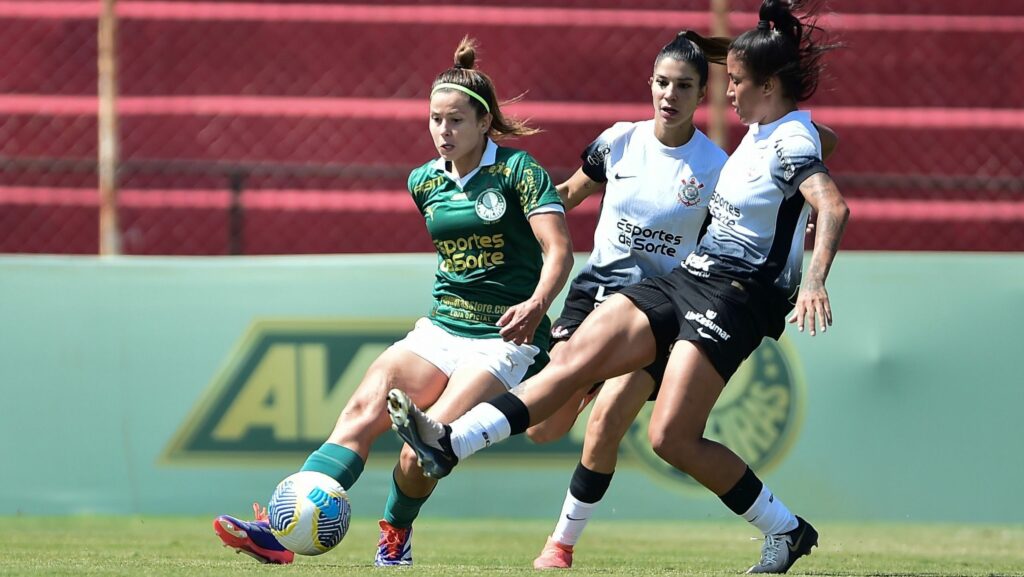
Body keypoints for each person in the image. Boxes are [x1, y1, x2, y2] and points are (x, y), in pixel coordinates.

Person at [387, 1, 848, 574]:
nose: (728, 94)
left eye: (735, 83)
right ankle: (448, 442)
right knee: (572, 360)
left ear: (769, 86)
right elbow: (818, 133)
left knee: (670, 439)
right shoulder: (758, 130)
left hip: (736, 297)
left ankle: (785, 531)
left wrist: (815, 281)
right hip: (686, 279)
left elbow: (831, 203)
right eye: (724, 81)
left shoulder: (781, 143)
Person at [212, 36, 574, 567]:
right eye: (435, 120)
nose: (443, 131)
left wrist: (540, 302)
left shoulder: (520, 171)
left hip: (504, 340)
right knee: (361, 411)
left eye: (455, 121)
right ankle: (281, 531)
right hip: (441, 329)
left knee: (422, 452)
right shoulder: (423, 181)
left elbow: (559, 250)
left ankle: (395, 535)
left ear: (483, 123)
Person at [524, 29, 838, 570]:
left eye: (687, 85)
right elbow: (569, 194)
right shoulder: (620, 141)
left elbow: (810, 155)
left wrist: (811, 278)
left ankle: (559, 545)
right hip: (599, 296)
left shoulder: (721, 163)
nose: (670, 95)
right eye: (663, 83)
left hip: (667, 308)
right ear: (649, 85)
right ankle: (784, 529)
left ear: (702, 96)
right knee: (544, 429)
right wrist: (521, 223)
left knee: (611, 427)